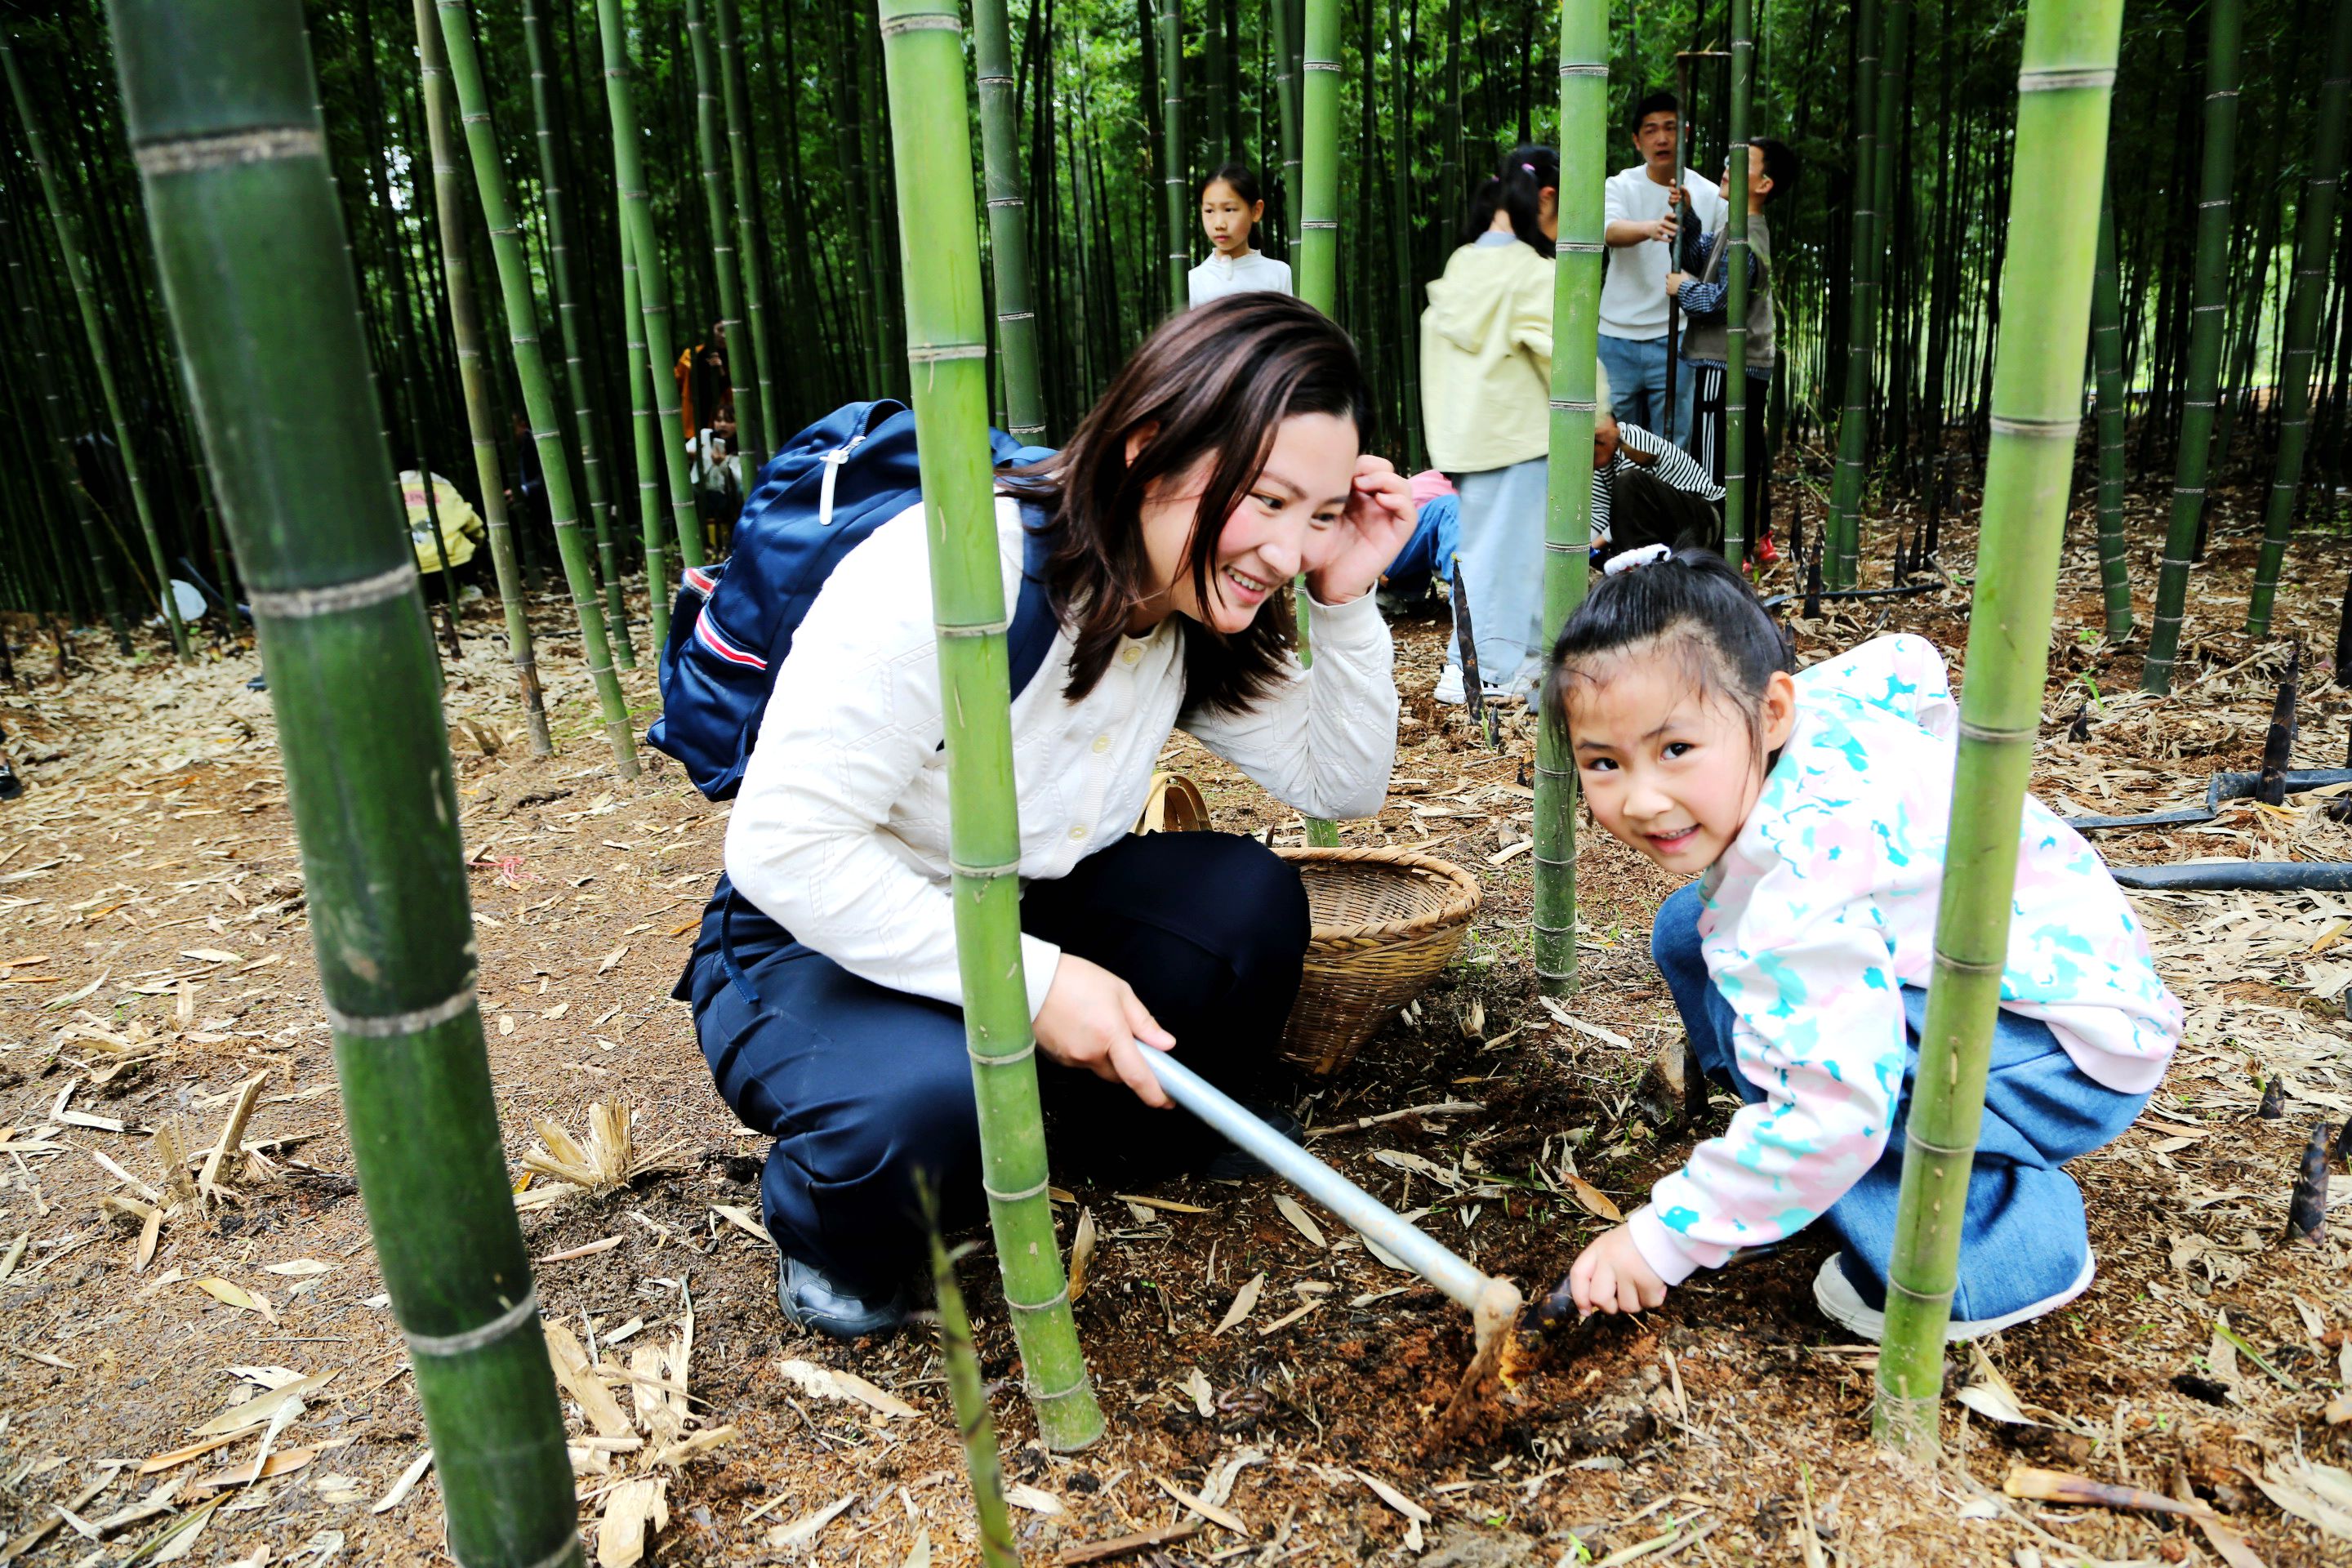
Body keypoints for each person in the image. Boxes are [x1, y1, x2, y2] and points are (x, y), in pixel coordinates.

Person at [678, 293, 1414, 1339]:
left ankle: (1119, 1134)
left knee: (1246, 905)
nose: (1291, 551)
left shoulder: (1184, 599)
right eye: (1267, 500)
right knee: (922, 1106)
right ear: (1149, 450)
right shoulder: (956, 575)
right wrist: (1035, 983)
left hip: (1031, 900)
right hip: (818, 933)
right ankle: (827, 1224)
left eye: (1323, 513)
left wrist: (1346, 600)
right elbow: (783, 847)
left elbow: (1339, 784)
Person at [1541, 550, 2182, 1340]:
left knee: (1825, 1092)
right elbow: (1907, 662)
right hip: (2055, 969)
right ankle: (1786, 1158)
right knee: (1690, 931)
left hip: (2068, 1051)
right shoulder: (1812, 707)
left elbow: (1834, 1106)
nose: (1642, 799)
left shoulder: (1795, 894)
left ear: (1771, 713)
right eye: (1604, 763)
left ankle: (2003, 1251)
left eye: (1675, 750)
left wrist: (1660, 1241)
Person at [1419, 145, 1558, 707]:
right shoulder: (1532, 271)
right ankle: (1478, 669)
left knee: (1502, 552)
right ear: (1547, 198)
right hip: (1521, 435)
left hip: (1470, 438)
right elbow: (1560, 353)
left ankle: (1521, 660)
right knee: (1508, 557)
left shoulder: (1462, 265)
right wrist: (1599, 413)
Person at [1668, 139, 1797, 564]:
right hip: (1745, 361)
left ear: (1763, 184)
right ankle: (1748, 541)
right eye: (1728, 160)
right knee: (1742, 453)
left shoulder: (1745, 239)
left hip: (1724, 362)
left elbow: (1724, 302)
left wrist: (1683, 288)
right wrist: (1688, 219)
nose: (1726, 168)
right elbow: (1698, 254)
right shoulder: (1739, 229)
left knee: (1713, 460)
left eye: (1740, 163)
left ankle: (1720, 549)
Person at [1601, 92, 1725, 451]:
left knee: (1673, 445)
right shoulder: (1619, 185)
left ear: (1685, 133)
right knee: (1612, 444)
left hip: (1678, 336)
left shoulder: (1711, 195)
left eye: (1670, 128)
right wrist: (1652, 228)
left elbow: (1719, 265)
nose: (1662, 138)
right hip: (1615, 335)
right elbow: (1608, 231)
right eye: (1651, 130)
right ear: (1636, 140)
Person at [1589, 363, 1722, 563]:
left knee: (1629, 483)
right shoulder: (1599, 464)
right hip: (1663, 528)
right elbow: (1600, 515)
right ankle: (1643, 569)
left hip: (1701, 521)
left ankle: (1642, 570)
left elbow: (1628, 514)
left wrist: (1593, 547)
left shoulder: (1632, 442)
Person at [1189, 163, 1294, 306]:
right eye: (1209, 211)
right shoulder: (1194, 281)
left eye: (1229, 209)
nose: (1219, 224)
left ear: (1256, 211)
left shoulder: (1278, 274)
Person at [687, 407, 744, 555]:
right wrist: (694, 455)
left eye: (729, 420)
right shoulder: (704, 435)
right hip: (700, 488)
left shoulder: (743, 446)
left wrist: (723, 463)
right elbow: (684, 450)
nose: (722, 424)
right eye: (719, 420)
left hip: (728, 495)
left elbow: (740, 482)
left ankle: (725, 546)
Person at [674, 321, 733, 442]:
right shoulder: (691, 354)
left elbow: (733, 396)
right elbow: (676, 381)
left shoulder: (734, 360)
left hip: (721, 422)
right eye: (720, 330)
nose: (724, 335)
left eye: (728, 331)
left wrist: (721, 370)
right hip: (693, 416)